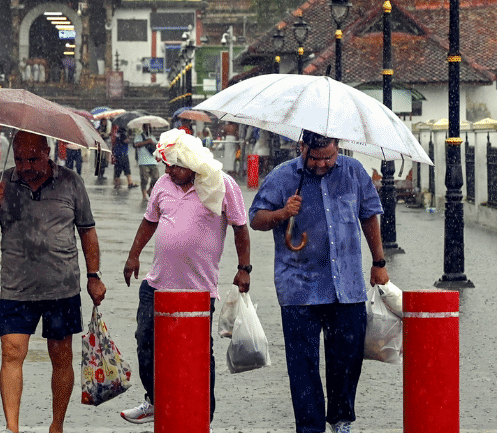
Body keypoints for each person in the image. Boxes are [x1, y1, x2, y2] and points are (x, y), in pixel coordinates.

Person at [249, 131, 387, 433]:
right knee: (303, 366)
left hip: (346, 287)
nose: (322, 164)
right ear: (303, 148)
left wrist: (379, 262)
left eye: (329, 157)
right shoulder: (284, 176)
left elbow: (369, 216)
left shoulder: (354, 172)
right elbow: (256, 218)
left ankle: (340, 419)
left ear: (338, 147)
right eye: (316, 158)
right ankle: (310, 428)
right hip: (299, 287)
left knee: (346, 361)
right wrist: (283, 213)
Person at [0, 131, 106, 433]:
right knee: (11, 352)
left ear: (47, 152)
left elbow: (87, 231)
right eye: (20, 159)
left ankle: (56, 425)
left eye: (32, 159)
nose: (25, 166)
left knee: (61, 357)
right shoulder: (2, 182)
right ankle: (12, 427)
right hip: (15, 286)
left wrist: (94, 276)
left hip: (61, 286)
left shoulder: (71, 182)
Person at [119, 129, 251, 425]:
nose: (168, 170)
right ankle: (154, 399)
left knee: (199, 355)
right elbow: (149, 221)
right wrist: (133, 255)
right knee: (146, 343)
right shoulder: (163, 184)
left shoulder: (221, 184)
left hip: (198, 290)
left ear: (192, 163)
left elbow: (241, 228)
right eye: (166, 164)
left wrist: (244, 268)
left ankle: (204, 412)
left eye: (175, 165)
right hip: (156, 285)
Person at [132, 128, 160, 200]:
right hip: (143, 161)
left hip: (153, 161)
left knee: (156, 178)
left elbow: (158, 146)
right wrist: (146, 142)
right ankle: (144, 195)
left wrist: (152, 143)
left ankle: (150, 189)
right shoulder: (139, 136)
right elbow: (135, 145)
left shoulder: (152, 137)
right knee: (144, 179)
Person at [111, 124, 135, 191]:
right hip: (122, 154)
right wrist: (129, 136)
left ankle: (119, 184)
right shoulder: (122, 133)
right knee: (124, 169)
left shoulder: (117, 133)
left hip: (118, 153)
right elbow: (125, 140)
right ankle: (126, 183)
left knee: (119, 169)